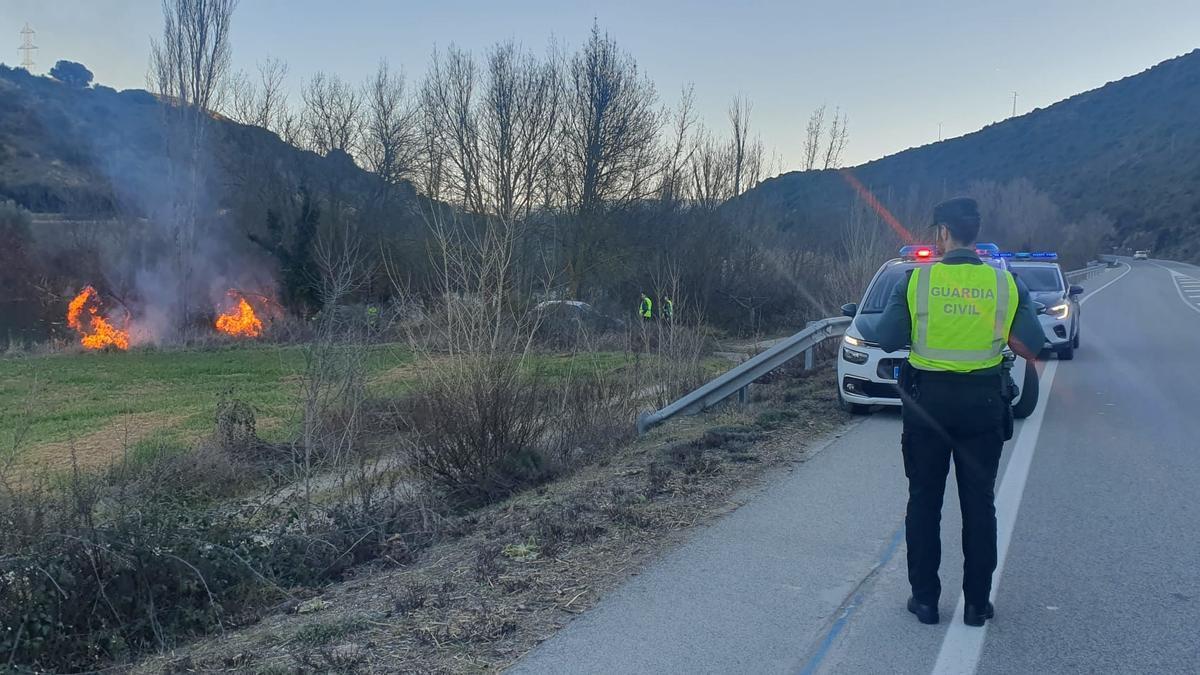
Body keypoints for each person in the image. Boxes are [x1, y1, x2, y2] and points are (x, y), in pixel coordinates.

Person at [876, 197, 1044, 627]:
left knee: (924, 503)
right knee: (979, 505)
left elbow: (888, 338)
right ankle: (975, 606)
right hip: (982, 406)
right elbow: (1031, 346)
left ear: (943, 234)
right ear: (976, 233)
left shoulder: (915, 282)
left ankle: (926, 602)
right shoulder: (1006, 284)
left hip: (928, 405)